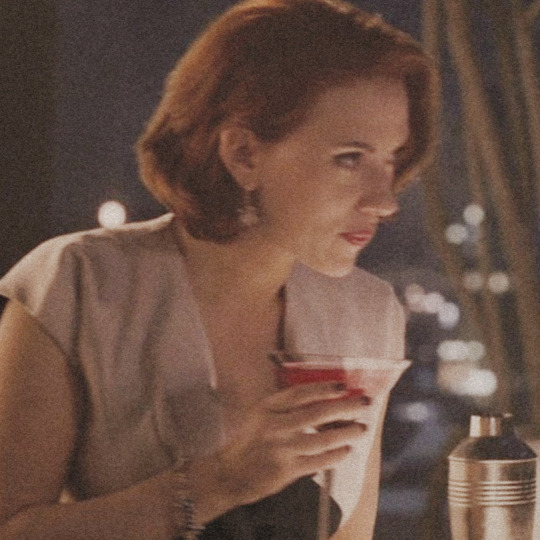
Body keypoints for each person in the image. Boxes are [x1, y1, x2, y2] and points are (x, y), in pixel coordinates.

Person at [0, 0, 437, 538]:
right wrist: (223, 481)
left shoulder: (367, 313)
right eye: (350, 158)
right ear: (244, 155)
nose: (385, 201)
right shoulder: (80, 286)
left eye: (391, 160)